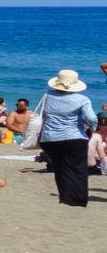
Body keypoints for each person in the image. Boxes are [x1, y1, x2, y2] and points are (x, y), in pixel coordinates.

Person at [36, 70, 97, 207]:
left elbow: (44, 114)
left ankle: (65, 197)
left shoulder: (48, 95)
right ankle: (77, 200)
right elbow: (91, 118)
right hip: (74, 137)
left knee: (60, 168)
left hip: (49, 138)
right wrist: (92, 129)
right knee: (78, 170)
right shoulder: (82, 99)